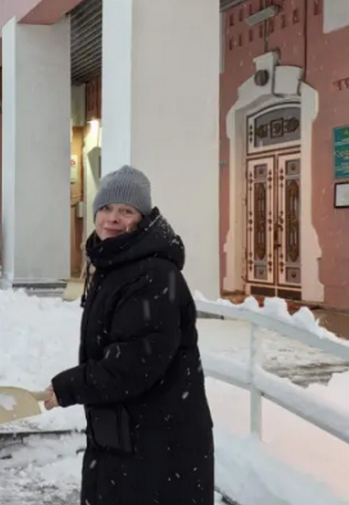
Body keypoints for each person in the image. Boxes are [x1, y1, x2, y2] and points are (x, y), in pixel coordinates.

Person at [41, 165, 215, 505]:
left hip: (157, 440)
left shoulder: (152, 274)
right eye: (106, 208)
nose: (112, 218)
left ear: (143, 218)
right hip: (130, 435)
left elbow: (135, 363)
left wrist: (71, 386)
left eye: (126, 210)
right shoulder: (117, 263)